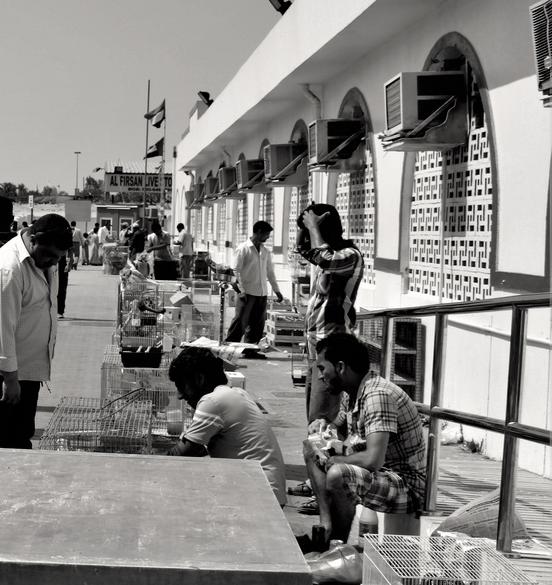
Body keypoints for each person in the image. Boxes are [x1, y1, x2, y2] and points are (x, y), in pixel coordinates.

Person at [303, 332, 427, 547]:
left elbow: (373, 460)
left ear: (341, 367)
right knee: (311, 447)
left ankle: (336, 547)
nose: (321, 376)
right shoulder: (352, 391)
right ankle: (326, 529)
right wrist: (323, 426)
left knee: (337, 473)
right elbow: (337, 425)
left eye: (323, 368)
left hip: (405, 485)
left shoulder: (378, 396)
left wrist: (335, 461)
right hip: (380, 475)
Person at [0, 213, 71, 457]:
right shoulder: (8, 269)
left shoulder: (42, 262)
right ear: (33, 240)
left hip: (24, 369)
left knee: (19, 438)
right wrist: (9, 381)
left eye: (59, 258)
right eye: (51, 255)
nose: (54, 263)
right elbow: (1, 330)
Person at [165, 346, 287, 506]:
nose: (180, 395)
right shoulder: (236, 393)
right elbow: (199, 449)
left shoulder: (213, 401)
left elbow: (181, 454)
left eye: (182, 386)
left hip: (261, 497)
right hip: (270, 491)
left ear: (199, 379)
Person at [297, 203, 364, 427]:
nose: (308, 239)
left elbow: (322, 257)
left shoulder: (349, 256)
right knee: (313, 418)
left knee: (321, 420)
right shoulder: (326, 261)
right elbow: (307, 250)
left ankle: (325, 460)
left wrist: (314, 226)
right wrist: (304, 225)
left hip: (332, 351)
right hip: (316, 349)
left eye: (311, 232)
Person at [226, 221, 284, 355]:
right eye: (267, 234)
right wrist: (241, 291)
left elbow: (270, 272)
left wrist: (277, 290)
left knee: (257, 324)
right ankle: (228, 349)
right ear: (259, 232)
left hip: (261, 293)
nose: (268, 237)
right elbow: (235, 271)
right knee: (240, 322)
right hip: (247, 292)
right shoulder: (243, 249)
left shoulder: (265, 251)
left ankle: (250, 350)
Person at [56, 219, 80, 317]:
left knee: (62, 287)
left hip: (62, 262)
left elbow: (70, 251)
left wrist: (69, 264)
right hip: (51, 262)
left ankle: (60, 311)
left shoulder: (66, 234)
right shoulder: (51, 235)